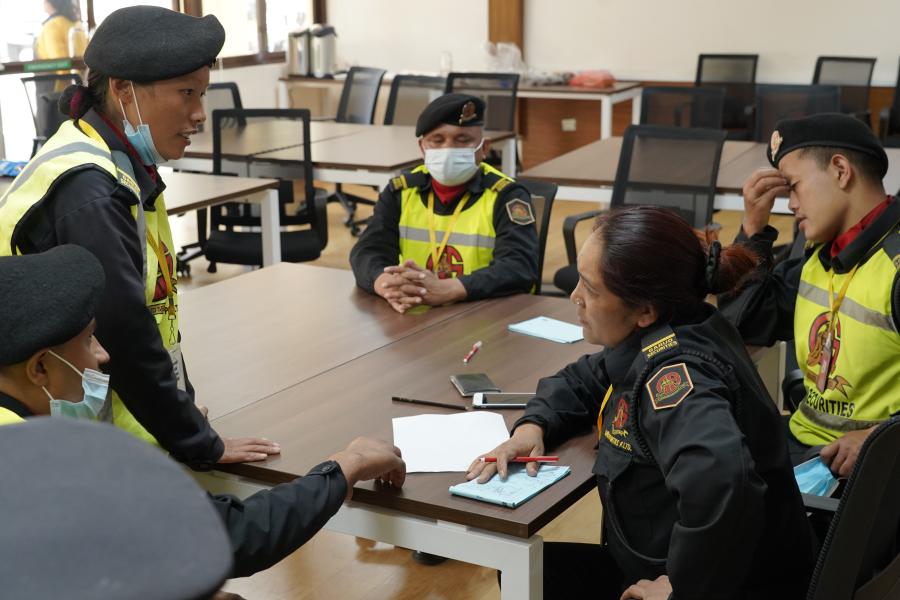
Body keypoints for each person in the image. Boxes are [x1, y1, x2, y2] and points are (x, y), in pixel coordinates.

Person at [467, 206, 817, 599]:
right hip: (678, 564)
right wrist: (534, 426)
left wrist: (680, 589)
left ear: (645, 310)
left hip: (722, 585)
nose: (574, 296)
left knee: (528, 575)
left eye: (591, 288)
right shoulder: (677, 328)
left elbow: (722, 481)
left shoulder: (679, 379)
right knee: (536, 573)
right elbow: (582, 378)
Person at [0, 244, 407, 578]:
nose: (103, 355)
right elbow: (230, 536)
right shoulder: (47, 469)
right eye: (89, 342)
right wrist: (345, 465)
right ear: (39, 368)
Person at [0, 6, 277, 469]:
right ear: (122, 89)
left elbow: (155, 310)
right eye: (186, 93)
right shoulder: (90, 189)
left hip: (120, 436)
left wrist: (180, 417)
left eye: (203, 94)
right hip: (69, 452)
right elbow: (124, 335)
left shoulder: (118, 163)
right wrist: (196, 440)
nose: (199, 114)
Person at [718, 113, 900, 476]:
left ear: (840, 170)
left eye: (794, 187)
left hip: (870, 471)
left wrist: (878, 437)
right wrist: (753, 230)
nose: (791, 205)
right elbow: (744, 323)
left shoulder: (893, 266)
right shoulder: (822, 258)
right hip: (807, 449)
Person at [350, 93, 538, 314]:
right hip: (414, 316)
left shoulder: (507, 195)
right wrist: (384, 283)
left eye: (462, 140)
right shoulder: (400, 191)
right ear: (422, 148)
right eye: (437, 141)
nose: (448, 149)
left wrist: (450, 289)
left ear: (484, 148)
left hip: (485, 315)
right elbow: (366, 252)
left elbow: (519, 267)